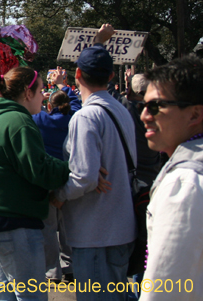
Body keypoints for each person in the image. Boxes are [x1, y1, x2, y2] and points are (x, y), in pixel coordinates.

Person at [53, 24, 136, 301]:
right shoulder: (121, 110)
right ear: (112, 76)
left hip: (95, 233)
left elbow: (84, 177)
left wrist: (59, 195)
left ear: (77, 75)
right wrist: (99, 42)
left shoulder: (86, 117)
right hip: (120, 228)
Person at [0, 67, 70, 301]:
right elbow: (41, 170)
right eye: (40, 92)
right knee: (31, 297)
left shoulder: (0, 117)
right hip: (13, 222)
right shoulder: (19, 122)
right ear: (28, 93)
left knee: (8, 296)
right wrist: (73, 169)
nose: (43, 96)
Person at [138, 56, 203, 301]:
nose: (144, 116)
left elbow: (166, 288)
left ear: (194, 114)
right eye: (142, 106)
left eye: (156, 106)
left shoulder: (184, 183)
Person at [33, 68, 82, 282]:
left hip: (48, 178)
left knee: (48, 226)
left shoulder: (40, 120)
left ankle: (52, 270)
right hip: (69, 177)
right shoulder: (74, 119)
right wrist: (62, 84)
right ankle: (69, 265)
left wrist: (40, 98)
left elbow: (30, 112)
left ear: (49, 105)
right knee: (67, 224)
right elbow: (77, 103)